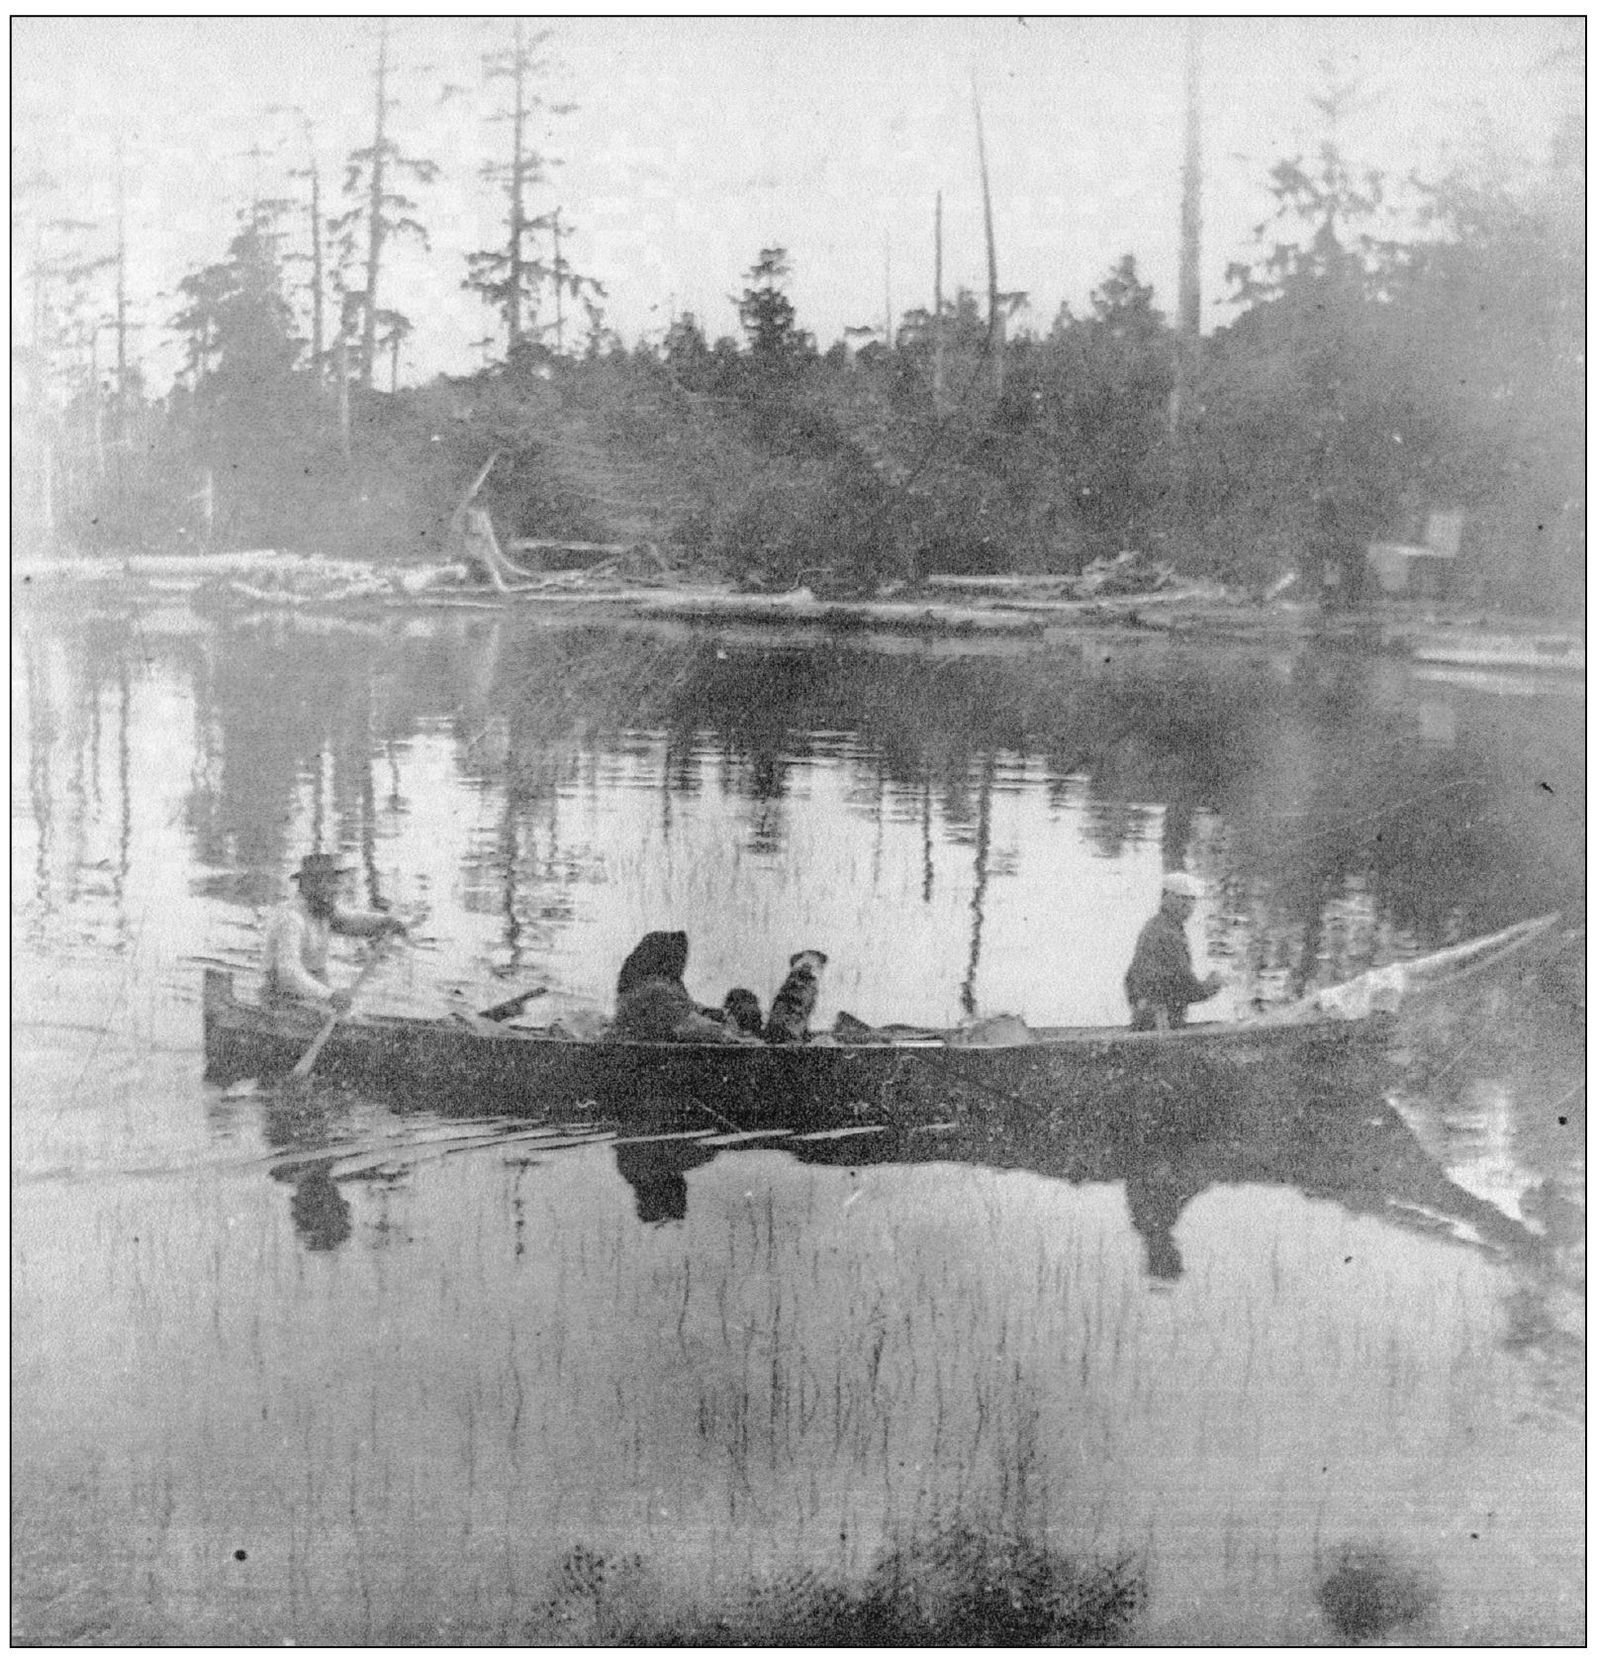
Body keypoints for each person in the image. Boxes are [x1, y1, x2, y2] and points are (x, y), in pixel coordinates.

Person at [261, 852, 407, 1012]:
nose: (333, 890)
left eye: (332, 882)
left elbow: (352, 921)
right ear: (307, 885)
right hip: (282, 999)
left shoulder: (323, 909)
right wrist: (330, 996)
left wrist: (385, 922)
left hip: (315, 996)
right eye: (325, 883)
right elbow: (289, 972)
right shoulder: (291, 918)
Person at [609, 931, 757, 1044]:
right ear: (663, 958)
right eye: (678, 957)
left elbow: (686, 1008)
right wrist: (735, 1038)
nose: (682, 964)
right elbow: (690, 1025)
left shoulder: (643, 986)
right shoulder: (654, 991)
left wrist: (706, 1012)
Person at [1124, 871, 1222, 1031]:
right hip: (1160, 1022)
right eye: (1182, 898)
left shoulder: (1157, 926)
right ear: (1166, 898)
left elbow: (1131, 979)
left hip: (1150, 1016)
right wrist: (1211, 986)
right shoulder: (1167, 934)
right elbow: (1186, 987)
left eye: (1192, 899)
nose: (1188, 905)